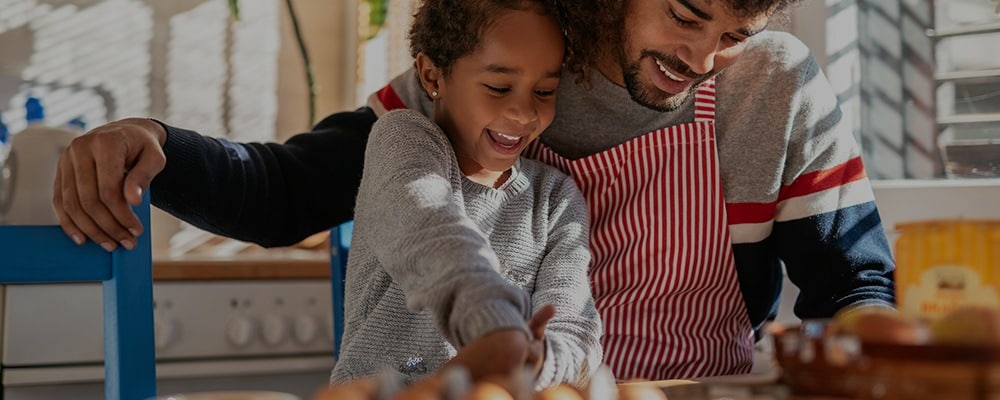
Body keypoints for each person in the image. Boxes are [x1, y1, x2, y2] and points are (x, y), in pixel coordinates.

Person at [54, 0, 895, 382]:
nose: (704, 59)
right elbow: (285, 190)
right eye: (684, 14)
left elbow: (852, 285)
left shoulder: (772, 86)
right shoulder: (499, 72)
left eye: (734, 34)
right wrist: (156, 143)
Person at [329, 0, 602, 388]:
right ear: (432, 76)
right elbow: (436, 235)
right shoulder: (401, 140)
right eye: (499, 87)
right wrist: (496, 326)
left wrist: (540, 361)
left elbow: (575, 325)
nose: (525, 113)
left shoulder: (556, 199)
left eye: (544, 91)